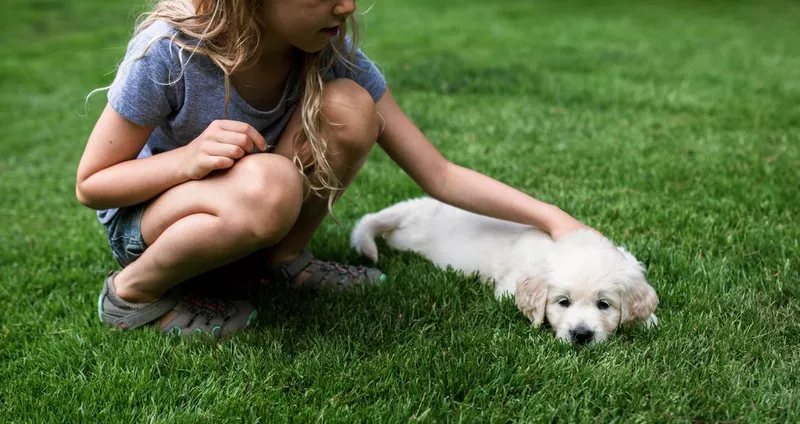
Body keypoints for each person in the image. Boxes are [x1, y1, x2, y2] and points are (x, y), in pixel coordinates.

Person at [76, 0, 591, 339]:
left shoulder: (328, 55)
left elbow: (439, 173)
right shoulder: (172, 51)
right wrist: (186, 161)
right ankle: (132, 294)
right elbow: (93, 184)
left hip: (252, 214)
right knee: (271, 182)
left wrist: (554, 219)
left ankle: (280, 261)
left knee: (349, 106)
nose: (346, 5)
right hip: (152, 227)